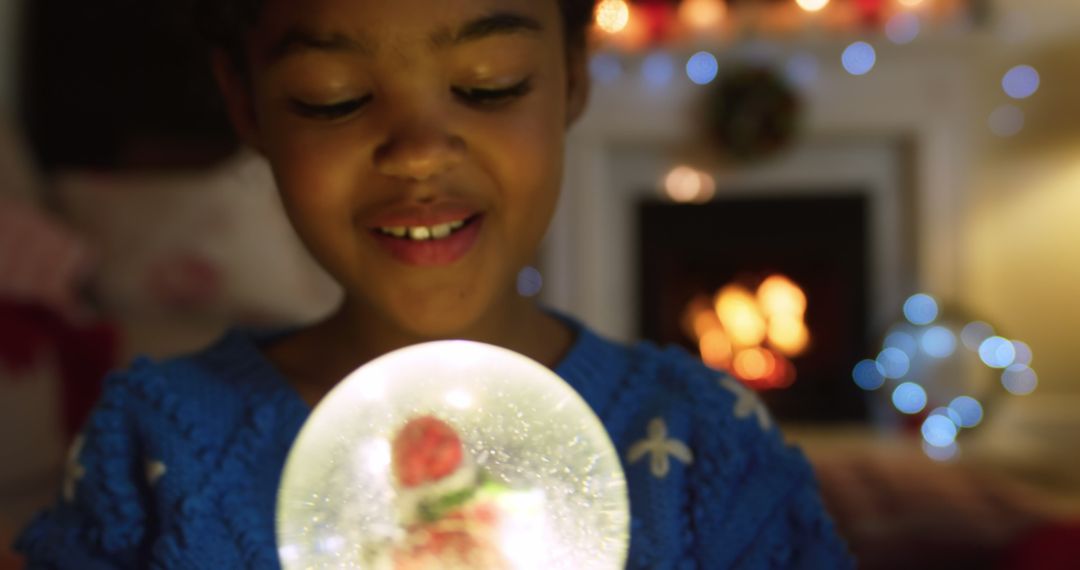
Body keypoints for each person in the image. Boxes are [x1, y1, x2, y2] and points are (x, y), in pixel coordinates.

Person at [15, 0, 852, 567]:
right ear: (245, 102)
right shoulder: (155, 441)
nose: (418, 150)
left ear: (573, 71)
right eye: (331, 100)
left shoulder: (709, 445)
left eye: (489, 84)